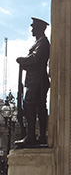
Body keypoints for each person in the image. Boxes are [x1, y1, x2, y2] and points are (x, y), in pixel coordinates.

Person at [15, 17, 50, 146]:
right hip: (34, 79)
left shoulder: (43, 42)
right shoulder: (38, 42)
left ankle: (31, 136)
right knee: (38, 106)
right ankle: (37, 136)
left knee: (30, 105)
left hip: (38, 80)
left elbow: (36, 58)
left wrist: (23, 60)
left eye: (33, 27)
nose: (31, 30)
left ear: (40, 28)